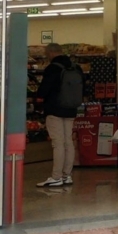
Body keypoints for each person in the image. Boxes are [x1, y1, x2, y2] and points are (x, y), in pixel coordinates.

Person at [36, 43, 82, 187]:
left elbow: (44, 90)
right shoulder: (75, 67)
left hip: (54, 109)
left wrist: (38, 98)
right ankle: (67, 175)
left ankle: (56, 176)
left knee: (58, 143)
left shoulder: (53, 68)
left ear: (50, 53)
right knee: (68, 142)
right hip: (71, 109)